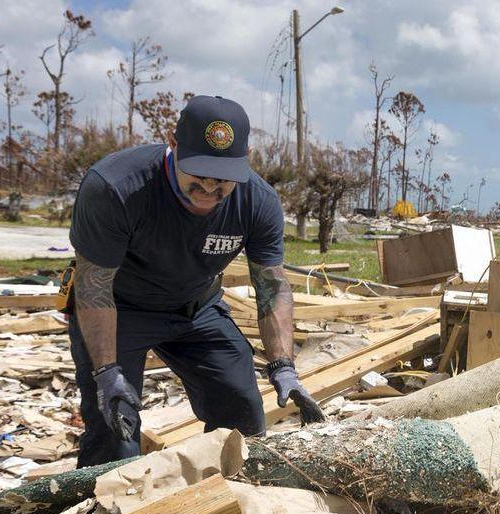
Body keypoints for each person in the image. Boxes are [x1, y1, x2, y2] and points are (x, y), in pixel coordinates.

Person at [68, 95, 324, 468]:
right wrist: (106, 374)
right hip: (119, 308)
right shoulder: (115, 187)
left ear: (245, 158)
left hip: (196, 309)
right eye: (198, 173)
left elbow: (272, 285)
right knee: (115, 433)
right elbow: (93, 285)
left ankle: (221, 503)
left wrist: (283, 365)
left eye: (222, 178)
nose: (209, 187)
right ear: (172, 144)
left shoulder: (258, 202)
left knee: (242, 408)